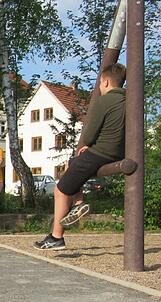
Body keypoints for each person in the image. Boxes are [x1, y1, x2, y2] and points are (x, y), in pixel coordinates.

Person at [34, 63, 127, 250]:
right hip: (119, 153)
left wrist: (87, 145)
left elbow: (90, 135)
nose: (100, 86)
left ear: (106, 81)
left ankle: (56, 237)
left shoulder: (104, 101)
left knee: (61, 190)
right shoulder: (130, 101)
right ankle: (78, 203)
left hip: (101, 153)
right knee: (73, 163)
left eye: (100, 83)